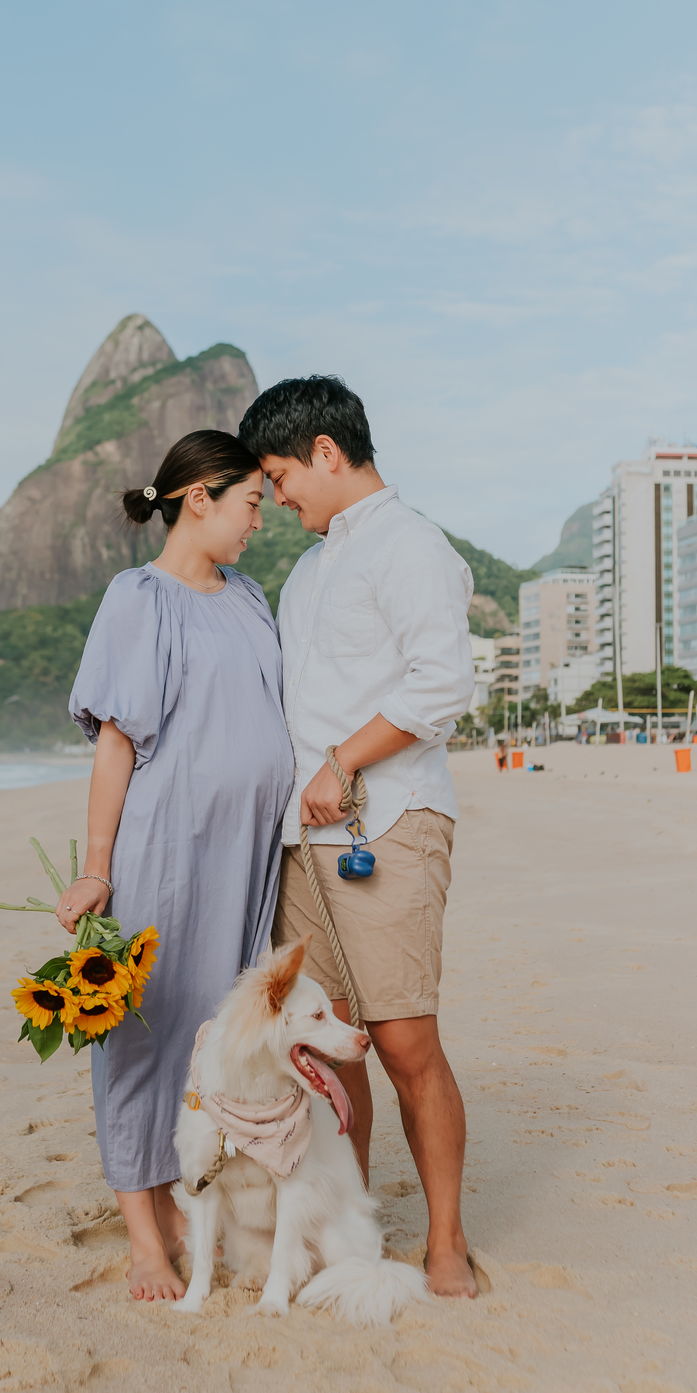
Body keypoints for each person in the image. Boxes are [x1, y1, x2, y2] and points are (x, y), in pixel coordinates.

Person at [239, 376, 479, 1299]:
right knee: (332, 1048)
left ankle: (448, 1243)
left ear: (327, 453)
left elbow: (440, 684)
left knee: (405, 1038)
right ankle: (357, 1232)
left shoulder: (410, 544)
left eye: (281, 473)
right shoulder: (307, 570)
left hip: (388, 824)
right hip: (305, 847)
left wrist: (340, 765)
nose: (279, 494)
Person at [58, 430, 294, 1302]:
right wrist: (94, 867)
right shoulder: (139, 599)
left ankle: (200, 1204)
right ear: (201, 495)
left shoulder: (252, 597)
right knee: (147, 1034)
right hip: (168, 848)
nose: (256, 523)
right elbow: (117, 742)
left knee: (214, 1031)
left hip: (247, 857)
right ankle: (145, 1238)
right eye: (250, 504)